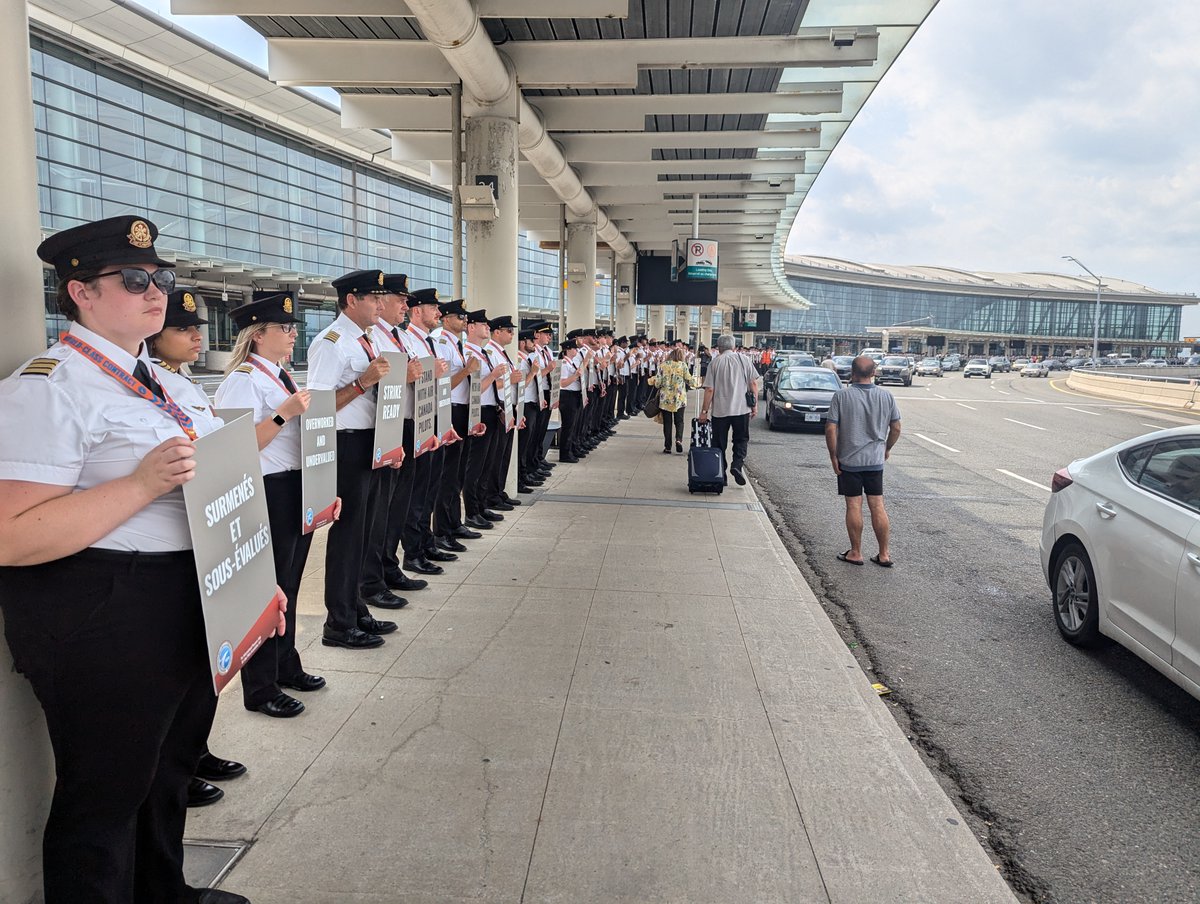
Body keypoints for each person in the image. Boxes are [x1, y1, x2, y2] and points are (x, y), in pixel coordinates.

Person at [0, 215, 279, 904]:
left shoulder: (166, 383)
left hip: (182, 595)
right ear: (80, 293)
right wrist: (138, 485)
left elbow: (224, 486)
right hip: (102, 608)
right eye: (133, 280)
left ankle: (164, 891)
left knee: (169, 766)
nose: (155, 292)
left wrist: (254, 591)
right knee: (106, 793)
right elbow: (10, 534)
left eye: (162, 278)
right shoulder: (49, 386)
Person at [148, 288, 248, 805]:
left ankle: (195, 749)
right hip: (181, 537)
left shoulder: (179, 382)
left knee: (203, 665)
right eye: (183, 329)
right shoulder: (151, 383)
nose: (196, 337)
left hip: (213, 526)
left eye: (198, 328)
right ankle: (180, 764)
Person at [215, 292, 332, 718]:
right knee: (269, 589)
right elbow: (236, 447)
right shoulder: (244, 380)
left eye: (293, 327)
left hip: (294, 486)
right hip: (267, 489)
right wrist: (282, 414)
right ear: (258, 335)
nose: (292, 333)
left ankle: (286, 665)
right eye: (284, 327)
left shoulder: (282, 374)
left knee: (291, 582)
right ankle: (260, 686)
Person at [305, 269, 399, 650]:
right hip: (346, 444)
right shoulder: (331, 343)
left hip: (371, 442)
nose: (381, 305)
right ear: (351, 301)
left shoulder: (369, 338)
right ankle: (339, 622)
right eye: (374, 299)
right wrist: (362, 383)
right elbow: (317, 405)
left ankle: (357, 608)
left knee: (365, 531)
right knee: (348, 536)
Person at [825, 355, 902, 567]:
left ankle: (856, 552)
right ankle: (884, 554)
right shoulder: (886, 396)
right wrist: (886, 448)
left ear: (852, 372)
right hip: (875, 461)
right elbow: (896, 427)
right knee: (877, 504)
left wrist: (834, 455)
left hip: (849, 461)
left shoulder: (841, 396)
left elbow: (831, 428)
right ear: (874, 373)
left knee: (853, 504)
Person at [698, 333, 758, 485]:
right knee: (741, 439)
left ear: (718, 348)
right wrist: (754, 406)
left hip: (720, 411)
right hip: (741, 408)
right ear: (733, 347)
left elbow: (709, 389)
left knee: (718, 443)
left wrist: (704, 412)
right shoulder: (744, 359)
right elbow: (753, 384)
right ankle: (737, 465)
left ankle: (721, 474)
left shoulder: (715, 362)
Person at [648, 346, 700, 453]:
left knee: (667, 422)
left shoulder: (663, 365)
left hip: (665, 399)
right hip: (679, 398)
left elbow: (657, 383)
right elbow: (690, 381)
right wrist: (698, 382)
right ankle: (679, 440)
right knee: (679, 421)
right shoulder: (683, 366)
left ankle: (668, 446)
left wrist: (653, 381)